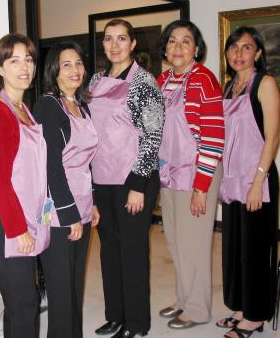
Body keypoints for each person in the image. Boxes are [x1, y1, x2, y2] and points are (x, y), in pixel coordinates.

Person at [89, 19, 164, 338]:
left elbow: (153, 135)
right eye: (108, 39)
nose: (115, 45)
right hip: (101, 178)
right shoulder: (94, 80)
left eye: (122, 39)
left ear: (133, 44)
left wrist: (137, 185)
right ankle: (115, 315)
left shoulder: (144, 81)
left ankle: (136, 323)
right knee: (109, 251)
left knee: (132, 251)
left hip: (134, 178)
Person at [0, 33, 50, 338]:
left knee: (24, 300)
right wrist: (17, 228)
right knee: (23, 302)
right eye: (14, 60)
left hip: (28, 216)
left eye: (29, 59)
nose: (25, 67)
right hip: (10, 221)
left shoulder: (25, 109)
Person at [157, 20, 225, 329]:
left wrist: (201, 187)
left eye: (186, 41)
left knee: (194, 244)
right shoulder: (164, 79)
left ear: (196, 48)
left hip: (198, 173)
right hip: (169, 172)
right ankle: (184, 298)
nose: (178, 47)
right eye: (173, 41)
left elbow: (212, 138)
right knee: (174, 240)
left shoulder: (204, 80)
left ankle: (198, 308)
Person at [33, 41, 100, 338]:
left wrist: (92, 203)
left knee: (75, 285)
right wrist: (70, 212)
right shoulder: (48, 106)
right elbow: (52, 167)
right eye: (66, 65)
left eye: (78, 63)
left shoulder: (82, 106)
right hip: (61, 211)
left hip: (83, 203)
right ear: (54, 72)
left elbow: (87, 164)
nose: (75, 70)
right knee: (61, 290)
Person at [217, 26, 279, 338]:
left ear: (257, 53)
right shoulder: (229, 87)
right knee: (234, 248)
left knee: (255, 250)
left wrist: (258, 181)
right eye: (233, 47)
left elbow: (272, 137)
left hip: (257, 179)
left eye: (246, 47)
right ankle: (241, 306)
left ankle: (255, 316)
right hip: (232, 180)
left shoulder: (264, 83)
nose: (238, 53)